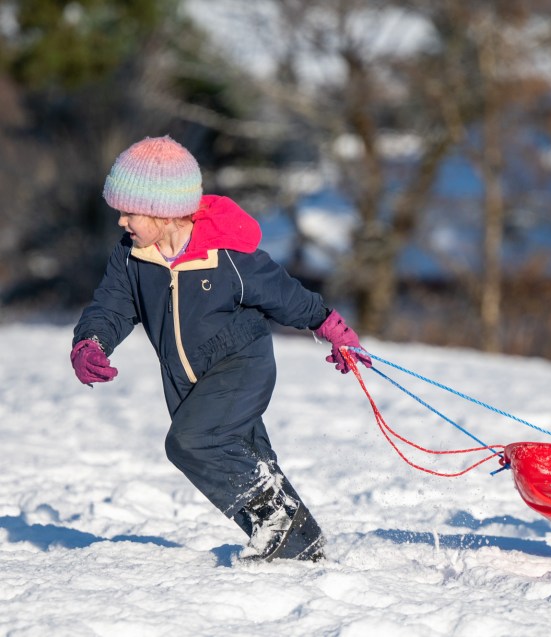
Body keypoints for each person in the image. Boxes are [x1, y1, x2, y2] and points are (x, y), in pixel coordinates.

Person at [69, 135, 372, 563]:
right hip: (185, 381)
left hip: (240, 364)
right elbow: (111, 307)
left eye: (130, 211)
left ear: (165, 211)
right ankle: (300, 549)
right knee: (249, 458)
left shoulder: (225, 255)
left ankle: (278, 523)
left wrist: (330, 326)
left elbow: (283, 294)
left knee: (191, 442)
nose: (122, 221)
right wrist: (91, 342)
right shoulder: (131, 257)